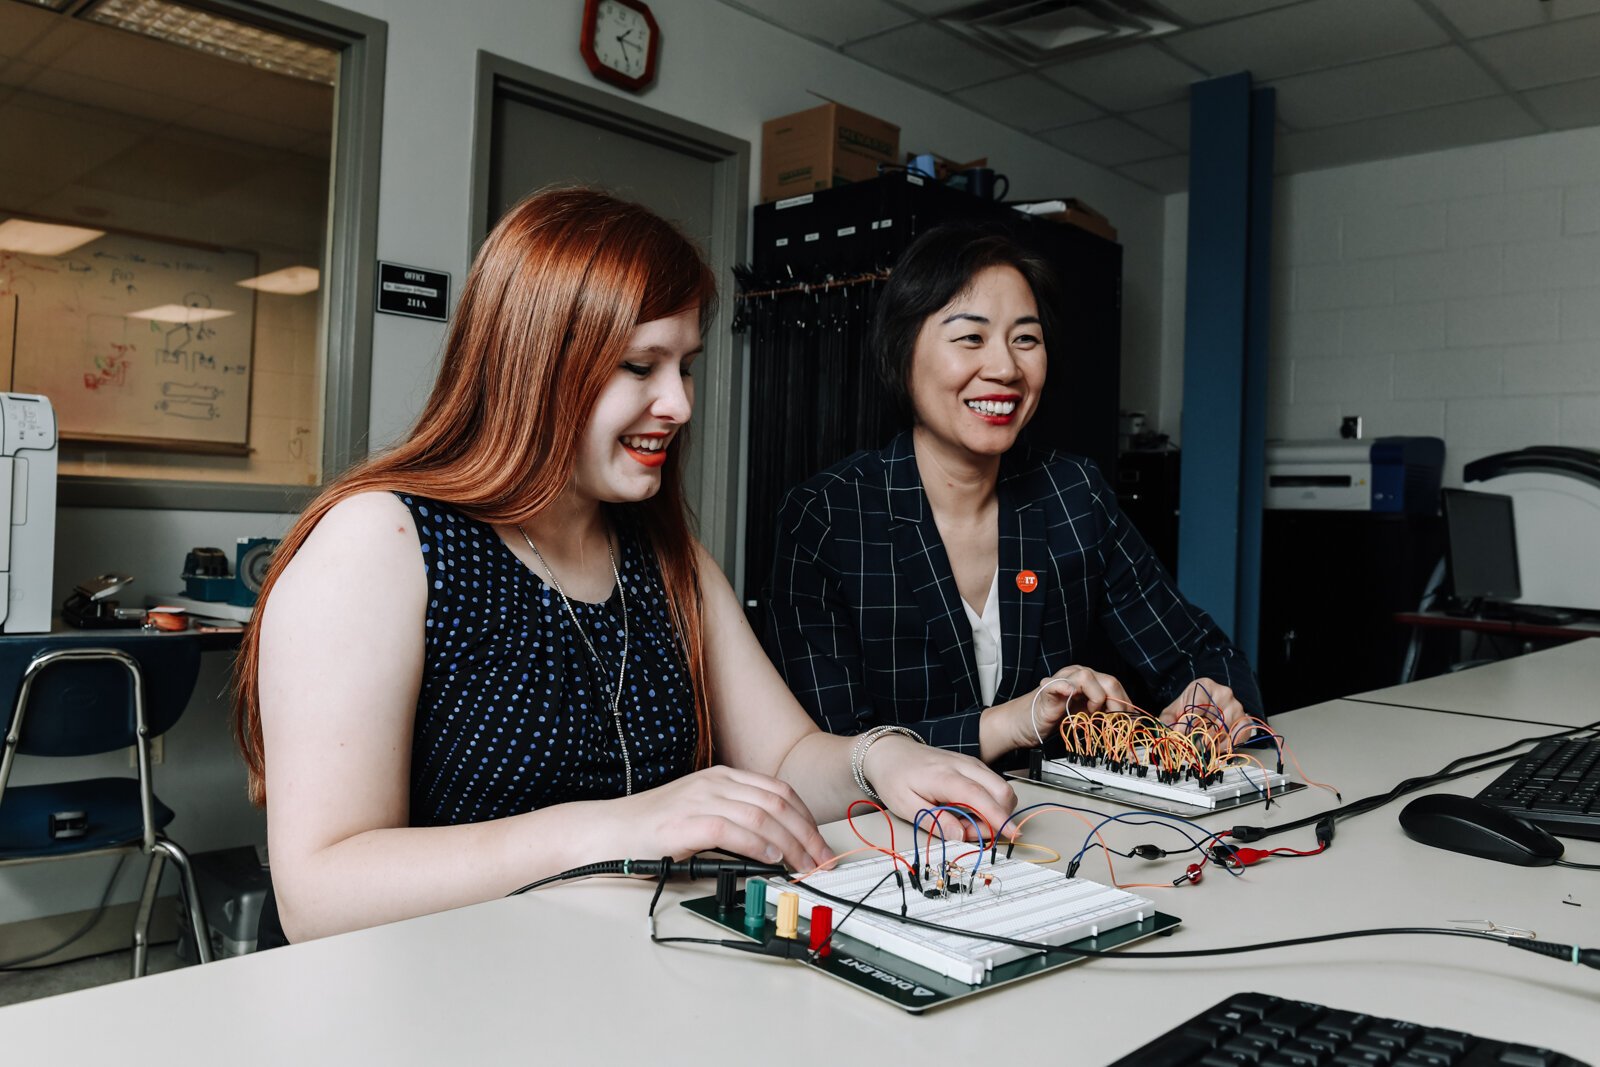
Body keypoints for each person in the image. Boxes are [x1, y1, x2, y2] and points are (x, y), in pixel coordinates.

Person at [234, 189, 1017, 946]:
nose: (679, 404)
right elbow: (319, 893)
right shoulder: (381, 539)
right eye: (640, 367)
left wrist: (878, 757)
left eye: (685, 366)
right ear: (534, 366)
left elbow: (781, 757)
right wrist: (622, 825)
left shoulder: (665, 556)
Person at [762, 222, 1262, 765]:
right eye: (970, 338)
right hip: (895, 840)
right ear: (901, 353)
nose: (1005, 368)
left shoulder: (1073, 496)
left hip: (1064, 830)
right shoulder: (826, 519)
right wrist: (1011, 722)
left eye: (1026, 339)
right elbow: (830, 757)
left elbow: (1200, 653)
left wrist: (1208, 704)